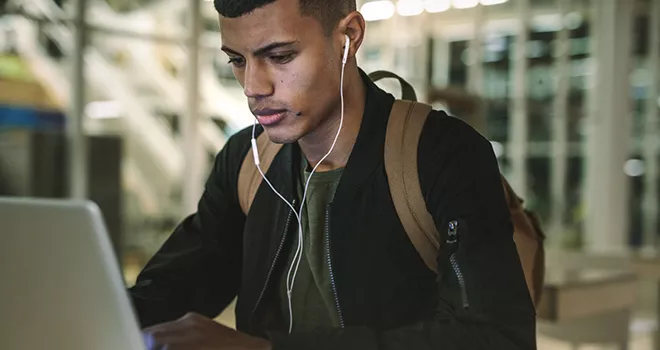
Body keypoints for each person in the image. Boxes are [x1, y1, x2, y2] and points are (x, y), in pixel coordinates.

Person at [130, 0, 537, 349]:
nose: (253, 86)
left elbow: (495, 338)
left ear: (349, 36)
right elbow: (178, 284)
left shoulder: (443, 155)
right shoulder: (247, 160)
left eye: (280, 56)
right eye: (238, 60)